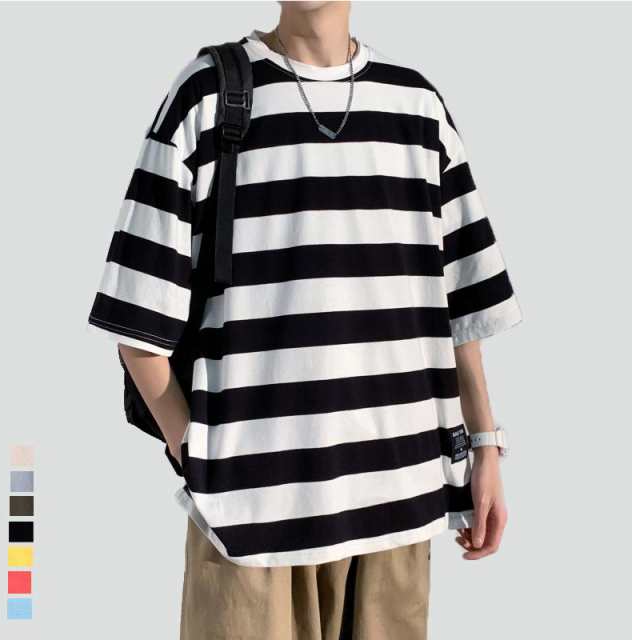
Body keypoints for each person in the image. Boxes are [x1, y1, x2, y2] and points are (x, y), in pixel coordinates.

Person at [86, 1, 522, 638]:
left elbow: (462, 308)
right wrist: (198, 456)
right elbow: (136, 316)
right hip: (250, 523)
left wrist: (486, 448)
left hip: (399, 510)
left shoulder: (417, 109)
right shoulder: (206, 98)